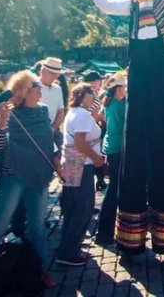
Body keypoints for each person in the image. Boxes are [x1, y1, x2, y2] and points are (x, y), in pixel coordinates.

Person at [79, 0, 164, 260]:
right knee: (135, 141)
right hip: (139, 72)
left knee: (162, 141)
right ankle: (131, 238)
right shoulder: (131, 5)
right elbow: (106, 5)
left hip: (160, 72)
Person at [0, 71, 58, 296]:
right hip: (12, 176)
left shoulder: (43, 111)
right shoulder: (11, 114)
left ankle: (42, 271)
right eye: (35, 86)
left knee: (37, 227)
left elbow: (48, 141)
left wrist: (57, 162)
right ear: (24, 91)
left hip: (37, 175)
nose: (40, 89)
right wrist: (2, 124)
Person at [57, 83, 103, 266]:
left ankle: (69, 246)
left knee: (73, 206)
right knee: (83, 207)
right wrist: (96, 158)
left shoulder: (75, 112)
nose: (94, 96)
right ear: (84, 96)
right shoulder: (82, 114)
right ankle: (69, 251)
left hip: (71, 162)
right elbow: (80, 142)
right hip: (81, 164)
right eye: (91, 93)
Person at [95, 73, 128, 246]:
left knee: (115, 187)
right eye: (124, 87)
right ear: (118, 89)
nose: (126, 89)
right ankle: (104, 232)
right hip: (118, 147)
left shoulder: (109, 103)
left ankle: (107, 230)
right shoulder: (120, 105)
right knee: (114, 189)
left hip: (111, 145)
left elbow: (101, 116)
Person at [37, 57, 68, 152]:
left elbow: (61, 111)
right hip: (36, 133)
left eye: (57, 74)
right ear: (42, 71)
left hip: (54, 132)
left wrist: (52, 130)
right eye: (52, 73)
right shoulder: (32, 87)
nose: (55, 77)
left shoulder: (57, 89)